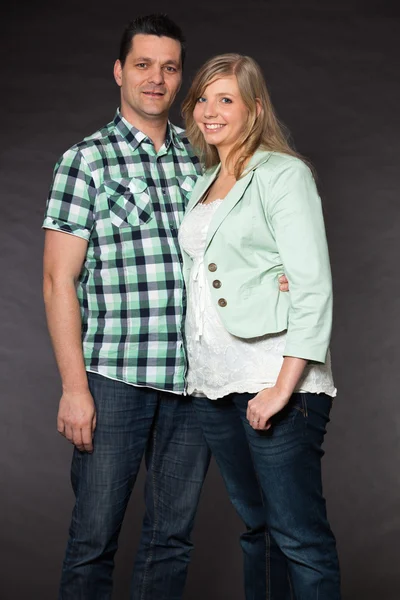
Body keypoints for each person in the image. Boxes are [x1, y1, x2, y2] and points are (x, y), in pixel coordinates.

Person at [42, 15, 290, 600]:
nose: (157, 78)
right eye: (144, 64)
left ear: (180, 77)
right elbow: (58, 281)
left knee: (171, 538)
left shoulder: (204, 157)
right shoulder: (86, 161)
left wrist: (279, 277)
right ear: (119, 71)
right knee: (93, 539)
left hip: (193, 383)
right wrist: (74, 388)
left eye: (170, 67)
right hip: (114, 379)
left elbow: (242, 236)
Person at [179, 53, 341, 600]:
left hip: (274, 380)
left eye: (226, 99)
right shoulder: (203, 181)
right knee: (260, 532)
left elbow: (312, 282)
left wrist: (282, 386)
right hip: (213, 383)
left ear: (255, 108)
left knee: (299, 538)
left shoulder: (283, 173)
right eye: (203, 98)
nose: (209, 110)